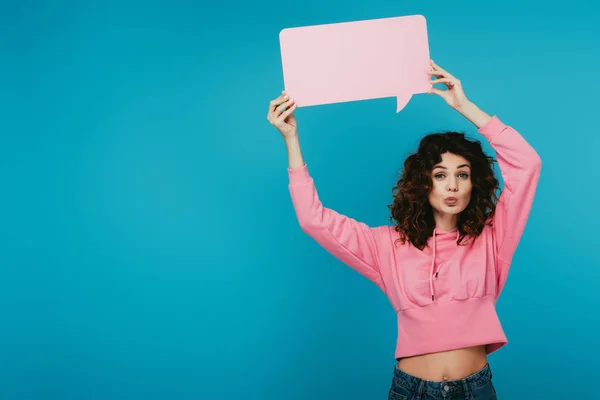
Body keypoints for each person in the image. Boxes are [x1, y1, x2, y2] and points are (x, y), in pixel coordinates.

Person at [266, 60, 541, 399]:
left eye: (463, 174)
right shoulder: (386, 245)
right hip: (411, 391)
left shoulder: (493, 237)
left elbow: (527, 164)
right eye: (440, 175)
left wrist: (464, 106)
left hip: (476, 389)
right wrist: (291, 139)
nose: (452, 186)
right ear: (424, 183)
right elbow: (313, 219)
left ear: (474, 184)